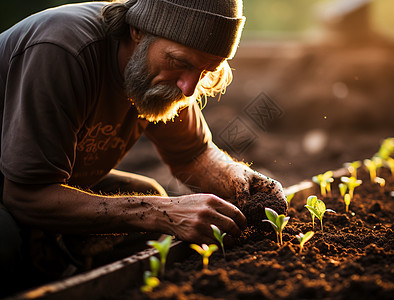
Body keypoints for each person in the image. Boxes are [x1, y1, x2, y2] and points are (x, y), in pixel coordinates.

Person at [0, 0, 285, 294]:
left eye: (206, 71)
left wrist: (238, 179)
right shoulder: (62, 51)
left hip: (44, 184)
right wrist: (159, 212)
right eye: (180, 63)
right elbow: (25, 195)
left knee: (151, 201)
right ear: (137, 30)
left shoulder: (165, 73)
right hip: (18, 188)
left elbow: (193, 155)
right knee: (5, 242)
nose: (188, 88)